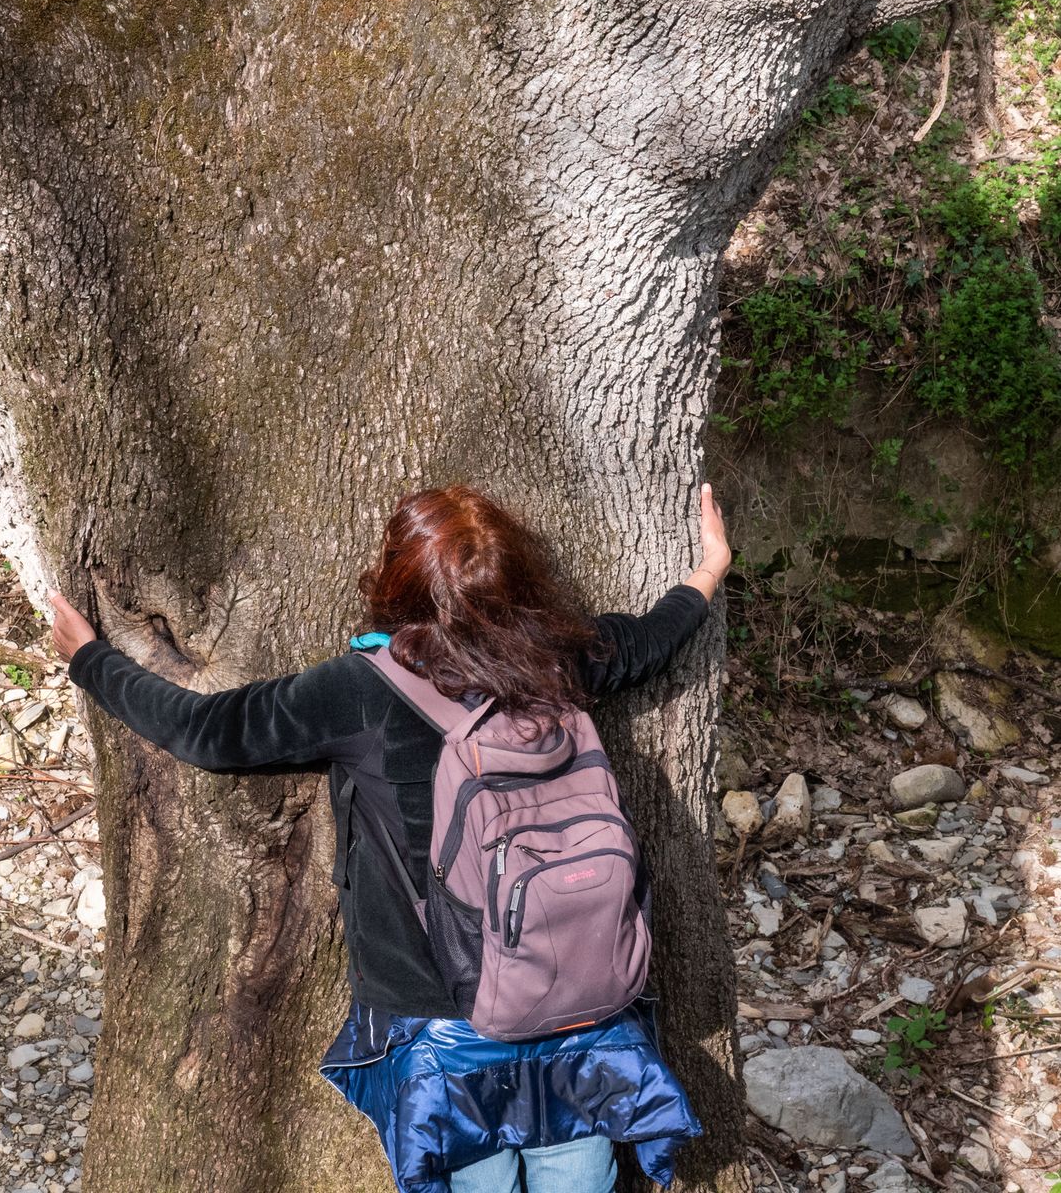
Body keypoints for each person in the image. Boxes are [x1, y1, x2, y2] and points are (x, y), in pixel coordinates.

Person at [50, 482, 731, 1193]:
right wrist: (709, 568)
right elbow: (651, 638)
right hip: (583, 1006)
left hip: (445, 1026)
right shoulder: (558, 662)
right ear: (520, 583)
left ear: (394, 585)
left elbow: (208, 731)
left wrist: (90, 659)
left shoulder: (360, 690)